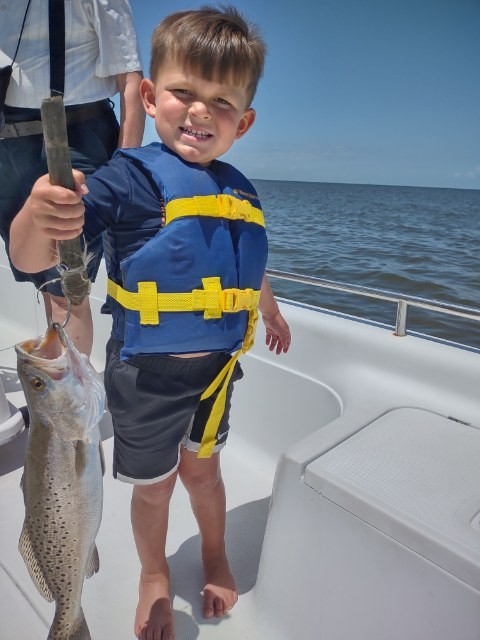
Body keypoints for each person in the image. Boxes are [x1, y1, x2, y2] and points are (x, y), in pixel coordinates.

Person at [10, 6, 291, 639]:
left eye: (221, 102)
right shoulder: (129, 177)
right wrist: (36, 215)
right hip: (144, 380)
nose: (199, 112)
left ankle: (215, 554)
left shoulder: (241, 190)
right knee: (156, 490)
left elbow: (247, 267)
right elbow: (35, 258)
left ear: (243, 122)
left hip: (218, 374)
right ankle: (154, 574)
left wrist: (269, 310)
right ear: (147, 96)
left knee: (206, 473)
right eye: (183, 92)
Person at [0, 0, 145, 355]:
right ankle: (57, 390)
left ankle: (68, 407)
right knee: (43, 278)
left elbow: (130, 81)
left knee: (67, 288)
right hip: (6, 144)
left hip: (76, 138)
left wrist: (124, 169)